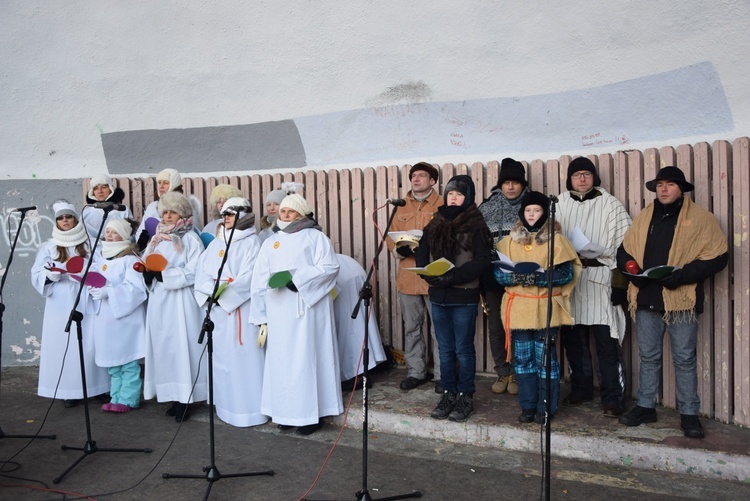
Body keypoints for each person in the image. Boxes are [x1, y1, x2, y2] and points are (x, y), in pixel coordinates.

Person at [616, 166, 728, 439]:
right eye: (660, 185)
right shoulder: (645, 217)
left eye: (670, 184)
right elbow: (624, 251)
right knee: (649, 357)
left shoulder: (701, 219)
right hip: (647, 297)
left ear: (681, 189)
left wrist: (682, 276)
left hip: (681, 299)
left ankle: (689, 413)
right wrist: (633, 272)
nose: (663, 189)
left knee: (684, 359)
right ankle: (645, 406)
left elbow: (718, 256)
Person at [249, 193, 342, 435]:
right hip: (279, 310)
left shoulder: (316, 237)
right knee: (282, 362)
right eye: (283, 211)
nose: (285, 215)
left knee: (307, 359)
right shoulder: (271, 242)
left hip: (307, 311)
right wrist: (261, 316)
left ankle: (311, 415)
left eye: (291, 211)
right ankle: (285, 413)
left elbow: (330, 268)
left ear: (301, 213)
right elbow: (259, 278)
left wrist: (300, 280)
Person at [494, 191, 581, 424]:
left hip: (545, 309)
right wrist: (518, 278)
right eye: (528, 210)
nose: (532, 214)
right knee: (522, 359)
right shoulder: (507, 241)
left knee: (545, 359)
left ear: (545, 213)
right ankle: (528, 406)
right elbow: (498, 275)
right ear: (522, 213)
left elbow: (565, 273)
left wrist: (537, 278)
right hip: (520, 309)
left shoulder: (558, 242)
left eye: (537, 210)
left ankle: (546, 406)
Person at [556, 157, 632, 417]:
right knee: (574, 342)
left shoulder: (610, 204)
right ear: (570, 179)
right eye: (576, 175)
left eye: (586, 174)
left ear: (594, 177)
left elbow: (626, 246)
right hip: (571, 281)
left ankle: (613, 397)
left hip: (600, 279)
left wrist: (620, 284)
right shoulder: (559, 203)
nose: (582, 179)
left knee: (606, 343)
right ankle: (580, 388)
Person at [415, 175, 492, 422]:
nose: (453, 198)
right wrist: (429, 276)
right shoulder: (436, 221)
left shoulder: (476, 224)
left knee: (463, 350)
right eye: (450, 194)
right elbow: (422, 251)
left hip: (464, 295)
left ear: (467, 197)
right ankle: (448, 393)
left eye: (458, 194)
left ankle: (465, 396)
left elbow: (482, 261)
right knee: (445, 350)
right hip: (439, 296)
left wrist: (452, 277)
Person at [194, 197, 268, 427]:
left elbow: (251, 278)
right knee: (222, 360)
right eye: (224, 214)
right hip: (217, 310)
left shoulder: (252, 243)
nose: (225, 218)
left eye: (230, 214)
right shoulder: (217, 243)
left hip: (240, 311)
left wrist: (224, 296)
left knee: (244, 360)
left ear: (243, 216)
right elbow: (202, 271)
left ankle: (249, 411)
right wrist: (210, 293)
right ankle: (226, 407)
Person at [30, 201, 110, 407]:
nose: (65, 220)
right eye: (61, 218)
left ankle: (98, 387)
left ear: (75, 219)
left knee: (90, 342)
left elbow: (103, 266)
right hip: (61, 300)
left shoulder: (92, 243)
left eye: (68, 217)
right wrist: (49, 275)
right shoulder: (48, 246)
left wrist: (89, 274)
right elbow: (37, 272)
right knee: (65, 344)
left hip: (85, 295)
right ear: (56, 221)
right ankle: (70, 390)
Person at [142, 191, 207, 422]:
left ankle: (186, 399)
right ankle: (171, 394)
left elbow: (196, 270)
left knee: (182, 348)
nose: (168, 216)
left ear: (183, 213)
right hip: (159, 301)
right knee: (165, 347)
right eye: (165, 212)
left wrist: (167, 276)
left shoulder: (189, 238)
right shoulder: (157, 239)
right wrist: (148, 277)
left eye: (173, 212)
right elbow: (146, 262)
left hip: (181, 301)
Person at [387, 162, 444, 392]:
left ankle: (442, 374)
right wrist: (398, 250)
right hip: (407, 277)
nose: (416, 179)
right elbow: (391, 236)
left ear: (432, 181)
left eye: (422, 175)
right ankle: (416, 372)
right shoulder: (400, 205)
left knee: (439, 329)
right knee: (412, 327)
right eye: (413, 176)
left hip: (434, 275)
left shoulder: (442, 204)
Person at [477, 157, 529, 395]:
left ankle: (518, 373)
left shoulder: (531, 205)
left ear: (523, 185)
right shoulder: (486, 207)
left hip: (522, 277)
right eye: (506, 182)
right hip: (493, 276)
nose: (510, 187)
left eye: (515, 182)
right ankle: (502, 371)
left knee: (519, 326)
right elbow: (477, 241)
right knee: (497, 327)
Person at [87, 218, 147, 413]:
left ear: (123, 235)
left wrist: (110, 292)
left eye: (114, 232)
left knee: (128, 363)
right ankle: (115, 396)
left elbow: (137, 289)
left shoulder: (130, 260)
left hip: (125, 321)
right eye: (108, 231)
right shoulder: (102, 259)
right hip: (106, 320)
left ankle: (128, 399)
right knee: (113, 363)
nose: (109, 235)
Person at [333, 253, 388, 390]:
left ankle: (354, 375)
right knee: (358, 326)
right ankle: (362, 372)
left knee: (346, 329)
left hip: (342, 281)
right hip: (352, 274)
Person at [135, 168, 204, 250]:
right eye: (159, 183)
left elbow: (193, 229)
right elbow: (141, 231)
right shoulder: (152, 207)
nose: (161, 186)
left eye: (166, 183)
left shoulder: (184, 206)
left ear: (174, 185)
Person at [81, 174, 134, 241]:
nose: (100, 191)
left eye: (104, 187)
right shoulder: (87, 212)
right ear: (92, 192)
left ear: (110, 189)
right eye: (96, 188)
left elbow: (129, 232)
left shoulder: (122, 209)